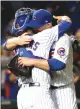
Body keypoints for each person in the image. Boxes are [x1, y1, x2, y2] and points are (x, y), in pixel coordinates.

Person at [3, 8, 72, 109]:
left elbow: (5, 45)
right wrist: (59, 18)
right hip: (39, 93)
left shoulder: (15, 43)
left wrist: (17, 40)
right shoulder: (44, 36)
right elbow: (67, 22)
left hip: (22, 95)